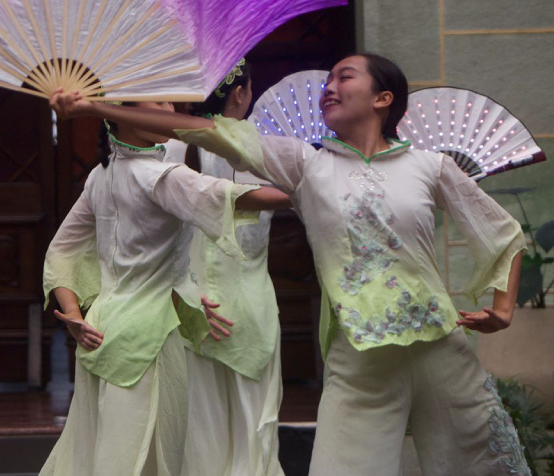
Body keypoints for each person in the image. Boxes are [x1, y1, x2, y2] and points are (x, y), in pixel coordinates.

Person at [50, 53, 529, 476]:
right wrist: (92, 108)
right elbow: (199, 129)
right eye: (328, 82)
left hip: (440, 343)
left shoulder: (430, 166)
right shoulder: (306, 165)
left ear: (384, 98)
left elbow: (503, 232)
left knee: (479, 460)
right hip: (358, 354)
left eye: (345, 77)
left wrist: (503, 308)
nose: (330, 87)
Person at [39, 99, 290, 476]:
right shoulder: (159, 175)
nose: (166, 109)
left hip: (103, 329)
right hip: (151, 337)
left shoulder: (100, 176)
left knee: (97, 451)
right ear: (119, 114)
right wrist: (307, 188)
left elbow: (62, 250)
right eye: (154, 102)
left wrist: (74, 315)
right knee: (147, 459)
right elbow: (237, 198)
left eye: (168, 101)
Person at [163, 58, 285, 476]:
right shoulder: (260, 149)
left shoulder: (168, 147)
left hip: (188, 306)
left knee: (197, 435)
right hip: (249, 307)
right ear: (240, 93)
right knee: (255, 434)